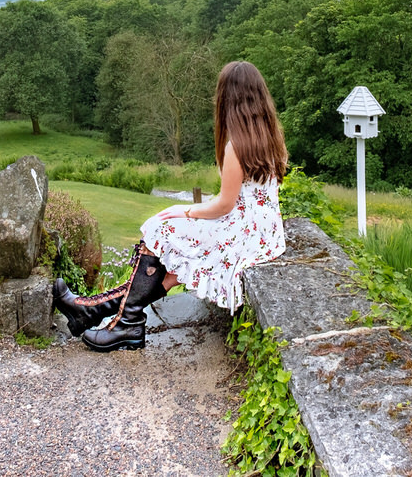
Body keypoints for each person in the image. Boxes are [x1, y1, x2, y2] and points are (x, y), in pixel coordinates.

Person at [53, 59, 289, 352]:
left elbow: (225, 205)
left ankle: (115, 319)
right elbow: (241, 202)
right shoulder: (269, 135)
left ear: (228, 99)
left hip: (243, 234)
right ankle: (101, 313)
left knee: (160, 229)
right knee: (175, 265)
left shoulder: (236, 146)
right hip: (262, 233)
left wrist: (186, 210)